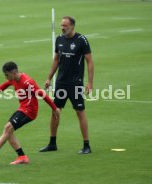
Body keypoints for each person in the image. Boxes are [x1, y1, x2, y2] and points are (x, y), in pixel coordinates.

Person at [0, 61, 60, 164]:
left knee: (7, 128)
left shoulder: (28, 82)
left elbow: (42, 94)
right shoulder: (14, 79)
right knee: (8, 131)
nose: (6, 77)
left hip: (29, 111)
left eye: (7, 75)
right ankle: (22, 156)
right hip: (22, 108)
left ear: (14, 72)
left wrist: (54, 108)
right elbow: (5, 85)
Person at [40, 16, 94, 154]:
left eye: (65, 25)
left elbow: (89, 61)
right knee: (55, 111)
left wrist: (89, 82)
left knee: (79, 112)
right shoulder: (59, 39)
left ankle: (86, 145)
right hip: (61, 82)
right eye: (61, 26)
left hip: (75, 83)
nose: (62, 28)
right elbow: (56, 60)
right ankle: (52, 143)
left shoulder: (81, 40)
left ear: (72, 26)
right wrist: (49, 78)